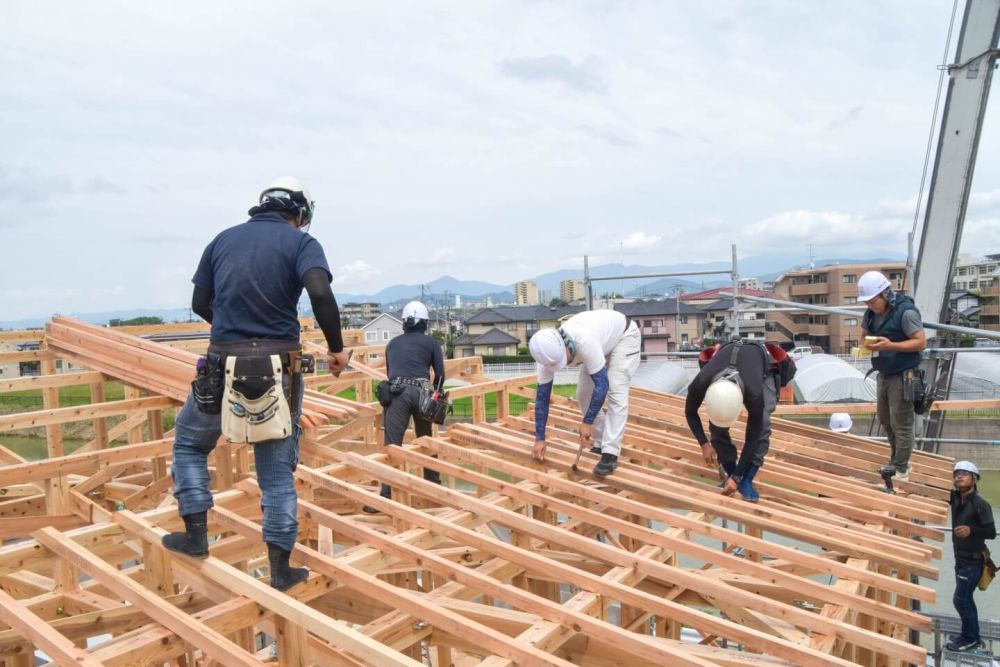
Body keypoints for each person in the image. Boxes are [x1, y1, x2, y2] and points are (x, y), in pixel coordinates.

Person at [162, 177, 350, 592]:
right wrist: (337, 349)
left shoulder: (222, 241)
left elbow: (199, 303)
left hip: (220, 363)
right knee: (277, 471)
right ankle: (281, 570)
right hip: (279, 365)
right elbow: (320, 292)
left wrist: (232, 335)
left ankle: (195, 535)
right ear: (299, 212)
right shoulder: (302, 243)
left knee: (190, 445)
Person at [529, 309, 641, 477]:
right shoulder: (546, 357)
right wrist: (539, 438)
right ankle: (601, 440)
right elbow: (542, 400)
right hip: (602, 343)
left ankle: (610, 453)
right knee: (582, 394)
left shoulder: (584, 341)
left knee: (616, 390)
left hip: (624, 337)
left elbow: (602, 385)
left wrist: (588, 421)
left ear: (566, 346)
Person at [685, 340, 794, 502]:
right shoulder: (701, 382)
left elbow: (753, 438)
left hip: (763, 370)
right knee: (717, 426)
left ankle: (747, 479)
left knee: (763, 423)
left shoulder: (754, 393)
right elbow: (690, 411)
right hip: (730, 360)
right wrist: (704, 444)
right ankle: (730, 469)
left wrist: (738, 478)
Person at [363, 301, 445, 512]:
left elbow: (391, 374)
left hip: (397, 392)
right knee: (425, 440)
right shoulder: (432, 343)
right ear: (424, 323)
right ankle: (433, 484)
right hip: (421, 391)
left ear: (404, 323)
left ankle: (386, 494)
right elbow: (441, 374)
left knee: (393, 444)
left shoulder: (392, 344)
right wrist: (435, 395)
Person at [859, 270, 927, 482]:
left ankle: (901, 467)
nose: (870, 306)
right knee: (886, 419)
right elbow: (863, 334)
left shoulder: (906, 312)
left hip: (903, 374)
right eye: (867, 302)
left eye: (872, 301)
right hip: (884, 372)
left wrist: (891, 346)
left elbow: (920, 342)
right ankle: (896, 460)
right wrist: (866, 344)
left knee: (902, 422)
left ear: (885, 294)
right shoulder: (870, 314)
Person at [947, 460, 996, 652]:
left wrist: (970, 530)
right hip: (961, 559)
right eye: (957, 473)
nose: (959, 476)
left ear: (974, 479)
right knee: (966, 599)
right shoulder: (956, 498)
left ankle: (971, 639)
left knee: (960, 600)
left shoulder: (980, 504)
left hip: (973, 562)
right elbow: (933, 490)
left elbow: (991, 532)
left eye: (964, 474)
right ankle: (970, 634)